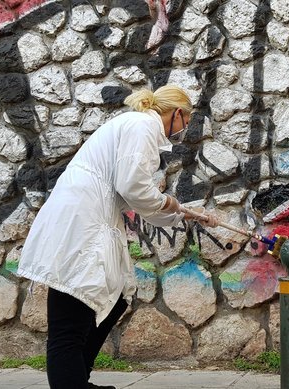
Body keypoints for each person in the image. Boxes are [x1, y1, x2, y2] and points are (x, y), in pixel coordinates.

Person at [16, 85, 218, 389]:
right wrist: (168, 202)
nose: (184, 130)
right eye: (186, 121)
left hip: (90, 221)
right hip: (80, 226)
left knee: (116, 301)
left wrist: (183, 214)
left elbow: (138, 199)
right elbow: (134, 187)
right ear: (176, 113)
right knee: (69, 326)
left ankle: (77, 381)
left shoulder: (138, 128)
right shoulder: (142, 126)